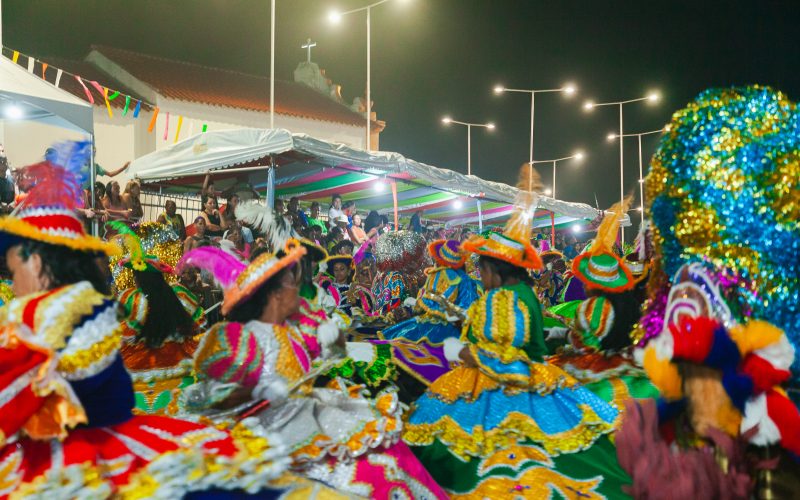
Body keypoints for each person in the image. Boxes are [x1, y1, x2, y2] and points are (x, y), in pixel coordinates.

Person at [0, 141, 291, 498]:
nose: (14, 282)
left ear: (40, 265)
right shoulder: (131, 302)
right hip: (150, 388)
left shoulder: (76, 309)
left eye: (16, 269)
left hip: (85, 448)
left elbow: (101, 392)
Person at [403, 165, 628, 497]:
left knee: (466, 452)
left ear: (495, 269)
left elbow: (504, 360)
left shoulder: (503, 298)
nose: (479, 275)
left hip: (501, 387)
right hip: (537, 375)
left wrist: (460, 352)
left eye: (481, 268)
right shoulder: (524, 295)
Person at [179, 242, 447, 498]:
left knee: (389, 451)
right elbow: (204, 396)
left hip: (310, 417)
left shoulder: (295, 330)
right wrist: (258, 392)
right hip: (268, 442)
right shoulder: (237, 338)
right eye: (291, 283)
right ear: (276, 294)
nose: (299, 288)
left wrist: (335, 338)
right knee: (366, 474)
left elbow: (332, 353)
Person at [111, 222, 207, 416]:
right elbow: (200, 336)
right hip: (179, 392)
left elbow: (113, 344)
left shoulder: (131, 301)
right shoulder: (180, 297)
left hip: (136, 395)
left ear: (137, 278)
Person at [381, 239, 481, 345]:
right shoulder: (467, 279)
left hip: (439, 327)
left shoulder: (442, 274)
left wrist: (415, 303)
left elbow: (432, 302)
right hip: (465, 330)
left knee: (400, 339)